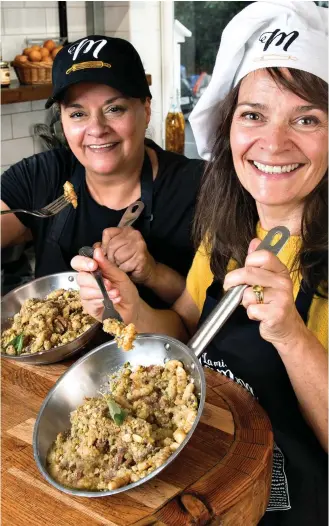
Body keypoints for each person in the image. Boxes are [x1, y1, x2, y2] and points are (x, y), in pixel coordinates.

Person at [72, 2, 328, 524]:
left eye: (307, 118)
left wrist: (290, 334)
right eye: (254, 114)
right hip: (203, 489)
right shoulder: (226, 226)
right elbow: (187, 323)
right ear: (229, 126)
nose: (273, 142)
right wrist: (130, 308)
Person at [1, 35, 204, 308]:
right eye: (77, 114)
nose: (96, 129)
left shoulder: (197, 187)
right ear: (61, 118)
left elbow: (212, 312)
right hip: (60, 351)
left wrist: (154, 273)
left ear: (146, 108)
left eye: (114, 109)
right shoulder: (41, 175)